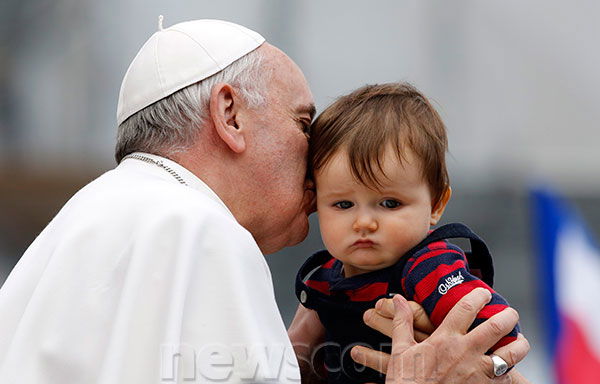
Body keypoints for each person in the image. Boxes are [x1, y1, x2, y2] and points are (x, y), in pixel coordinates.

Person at [0, 18, 528, 383]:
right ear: (230, 115)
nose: (317, 160)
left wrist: (291, 360)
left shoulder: (89, 214)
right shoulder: (196, 228)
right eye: (303, 123)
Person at [291, 83, 521, 383]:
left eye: (389, 203)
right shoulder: (325, 278)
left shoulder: (429, 267)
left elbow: (494, 332)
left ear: (436, 204)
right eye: (343, 204)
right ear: (315, 202)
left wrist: (490, 357)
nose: (364, 222)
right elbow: (293, 356)